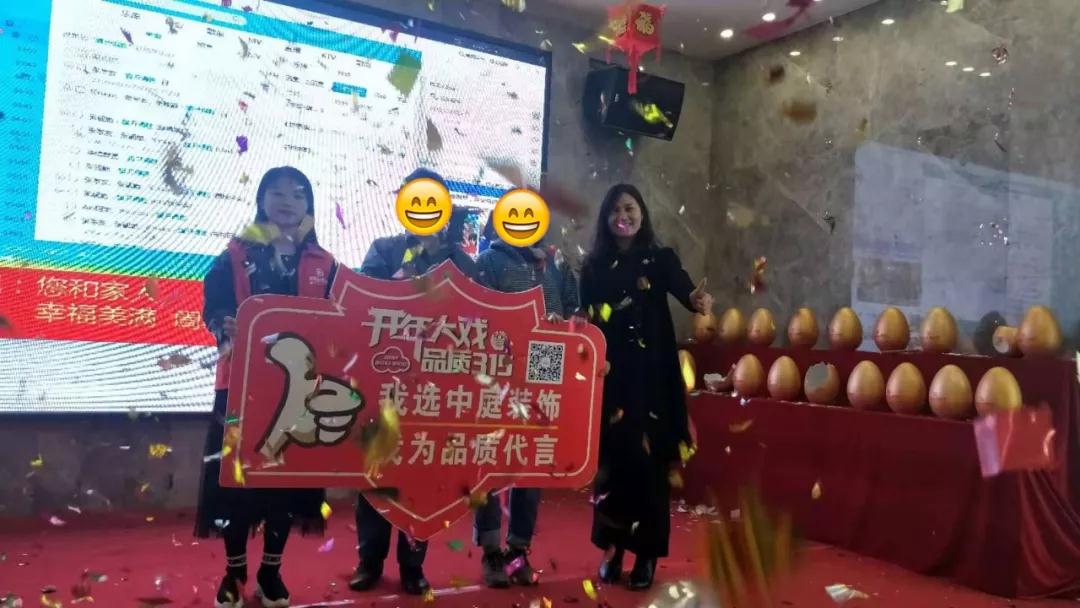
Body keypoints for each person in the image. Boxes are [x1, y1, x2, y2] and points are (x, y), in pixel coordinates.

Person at [196, 166, 338, 608]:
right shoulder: (236, 254)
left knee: (286, 485)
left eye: (297, 194)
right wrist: (224, 326)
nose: (287, 201)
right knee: (235, 484)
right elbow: (215, 304)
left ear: (308, 205)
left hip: (300, 392)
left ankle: (270, 572)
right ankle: (234, 572)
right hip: (240, 388)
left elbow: (342, 319)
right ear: (261, 200)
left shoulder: (325, 263)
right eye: (276, 193)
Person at [349, 169, 478, 595]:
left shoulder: (461, 261)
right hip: (384, 382)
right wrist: (395, 285)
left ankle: (412, 565)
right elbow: (361, 302)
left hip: (435, 389)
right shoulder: (384, 249)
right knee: (376, 474)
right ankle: (369, 561)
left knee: (423, 478)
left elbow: (479, 318)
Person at [579, 184, 713, 590]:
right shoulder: (594, 266)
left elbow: (684, 288)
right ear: (606, 218)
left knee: (650, 468)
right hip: (612, 379)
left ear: (642, 213)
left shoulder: (660, 258)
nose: (623, 216)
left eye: (630, 208)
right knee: (613, 467)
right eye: (615, 210)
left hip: (653, 380)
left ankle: (647, 555)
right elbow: (587, 318)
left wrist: (696, 298)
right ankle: (613, 549)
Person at [471, 213, 580, 588]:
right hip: (497, 367)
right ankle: (490, 550)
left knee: (531, 461)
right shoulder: (487, 261)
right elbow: (477, 314)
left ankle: (518, 550)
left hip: (545, 364)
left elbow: (575, 311)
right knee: (489, 459)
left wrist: (564, 322)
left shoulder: (557, 262)